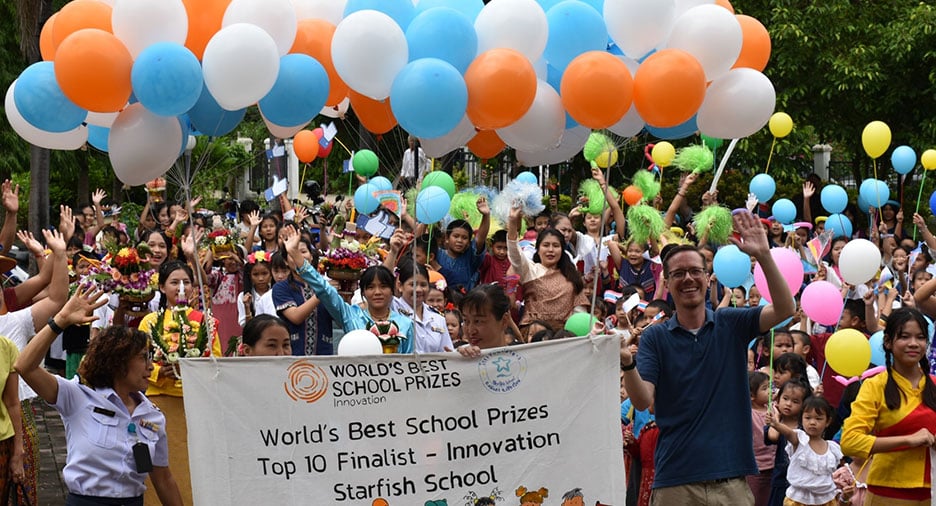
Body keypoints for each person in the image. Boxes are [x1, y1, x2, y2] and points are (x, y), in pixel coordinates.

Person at [620, 210, 795, 505]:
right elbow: (640, 400)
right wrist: (627, 362)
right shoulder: (655, 337)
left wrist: (764, 256)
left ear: (706, 276)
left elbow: (785, 309)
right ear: (668, 280)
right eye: (678, 273)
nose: (688, 279)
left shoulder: (730, 323)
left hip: (731, 482)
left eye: (695, 271)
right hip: (675, 482)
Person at [15, 287, 183, 505]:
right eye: (143, 358)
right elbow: (24, 366)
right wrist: (60, 321)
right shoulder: (77, 396)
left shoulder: (152, 416)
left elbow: (163, 479)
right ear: (118, 361)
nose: (151, 367)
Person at [841, 307, 936, 504]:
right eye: (904, 337)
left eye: (920, 337)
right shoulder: (875, 386)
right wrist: (908, 440)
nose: (913, 343)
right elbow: (850, 441)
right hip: (887, 492)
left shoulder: (934, 384)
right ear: (888, 342)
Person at [284, 230, 414, 354]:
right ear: (362, 293)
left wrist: (393, 251)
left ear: (393, 290)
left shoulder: (406, 324)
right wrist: (295, 255)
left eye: (384, 286)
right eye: (370, 287)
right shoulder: (351, 316)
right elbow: (325, 290)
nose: (377, 292)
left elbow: (409, 365)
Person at [507, 204, 587, 337]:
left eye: (555, 246)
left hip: (564, 337)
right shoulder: (530, 270)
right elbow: (514, 253)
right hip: (535, 335)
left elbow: (580, 311)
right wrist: (512, 222)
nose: (550, 250)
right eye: (546, 245)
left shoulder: (571, 275)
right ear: (538, 249)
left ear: (562, 250)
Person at [766, 396, 850, 506]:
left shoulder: (832, 448)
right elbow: (789, 433)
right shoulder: (800, 440)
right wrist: (776, 424)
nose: (812, 422)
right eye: (808, 418)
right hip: (798, 500)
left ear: (828, 421)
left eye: (818, 418)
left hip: (826, 499)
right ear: (801, 419)